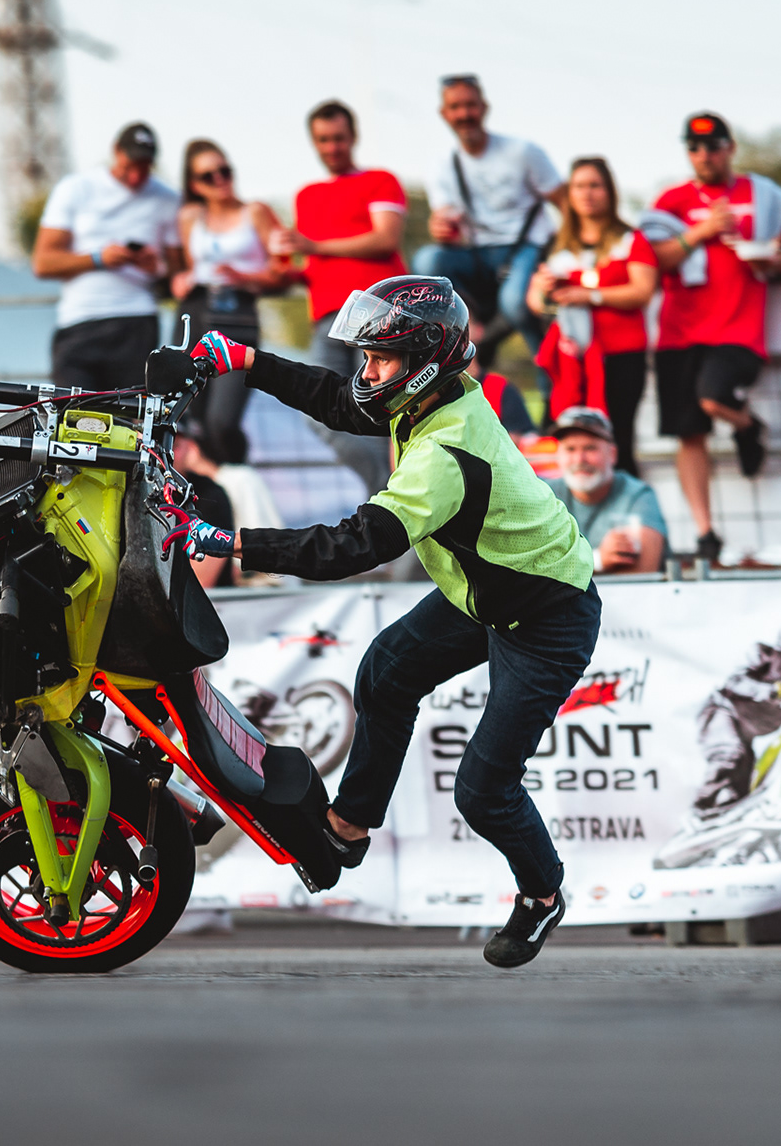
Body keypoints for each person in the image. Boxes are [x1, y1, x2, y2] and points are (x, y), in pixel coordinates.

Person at [182, 276, 599, 969]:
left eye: (379, 359)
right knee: (385, 672)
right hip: (487, 592)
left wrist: (231, 541)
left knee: (483, 792)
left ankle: (542, 894)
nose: (367, 372)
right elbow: (338, 402)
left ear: (425, 363)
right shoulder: (430, 395)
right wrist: (246, 360)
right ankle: (349, 827)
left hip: (547, 613)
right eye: (368, 357)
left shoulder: (445, 454)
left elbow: (352, 547)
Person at [643, 112, 781, 563]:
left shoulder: (762, 195)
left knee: (713, 399)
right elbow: (651, 259)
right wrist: (702, 232)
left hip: (739, 328)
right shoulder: (671, 201)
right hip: (679, 333)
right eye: (694, 148)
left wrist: (770, 260)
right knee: (689, 434)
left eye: (713, 146)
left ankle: (747, 426)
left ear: (730, 148)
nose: (704, 155)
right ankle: (705, 532)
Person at [270, 101, 406, 496]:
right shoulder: (307, 195)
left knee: (382, 405)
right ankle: (385, 490)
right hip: (327, 318)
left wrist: (314, 245)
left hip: (377, 313)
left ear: (353, 136)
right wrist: (287, 275)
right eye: (324, 140)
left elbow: (386, 238)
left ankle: (390, 496)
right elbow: (317, 265)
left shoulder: (380, 180)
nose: (332, 147)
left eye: (339, 138)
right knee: (319, 410)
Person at [525, 157, 656, 476]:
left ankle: (627, 506)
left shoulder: (630, 239)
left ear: (610, 191)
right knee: (567, 443)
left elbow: (643, 291)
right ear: (569, 194)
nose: (587, 193)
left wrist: (590, 296)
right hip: (571, 360)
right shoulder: (555, 245)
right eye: (579, 186)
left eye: (595, 185)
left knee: (617, 443)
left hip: (620, 355)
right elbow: (535, 302)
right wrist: (544, 290)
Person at [415, 74, 565, 351]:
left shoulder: (522, 152)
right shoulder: (443, 165)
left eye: (470, 105)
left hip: (526, 248)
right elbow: (446, 223)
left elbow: (566, 203)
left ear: (484, 107)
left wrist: (566, 254)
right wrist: (441, 229)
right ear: (444, 113)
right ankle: (468, 330)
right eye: (455, 107)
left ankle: (547, 363)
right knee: (426, 260)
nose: (464, 114)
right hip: (477, 254)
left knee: (515, 303)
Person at [33, 122, 185, 390]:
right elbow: (43, 263)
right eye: (130, 166)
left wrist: (156, 267)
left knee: (129, 415)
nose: (136, 177)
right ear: (116, 151)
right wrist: (98, 258)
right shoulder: (76, 188)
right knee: (72, 411)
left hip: (136, 323)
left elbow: (178, 274)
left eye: (144, 168)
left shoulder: (168, 199)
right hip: (79, 321)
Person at [169, 140, 283, 465]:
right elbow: (188, 266)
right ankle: (211, 491)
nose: (219, 179)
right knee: (193, 420)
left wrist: (244, 276)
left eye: (224, 170)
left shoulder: (256, 212)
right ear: (194, 185)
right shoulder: (189, 217)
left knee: (223, 422)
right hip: (196, 312)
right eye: (208, 176)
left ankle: (239, 478)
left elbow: (283, 271)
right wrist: (180, 278)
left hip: (238, 316)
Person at [692, 616, 781, 815]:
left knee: (744, 776)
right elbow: (735, 682)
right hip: (723, 714)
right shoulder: (765, 654)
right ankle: (700, 808)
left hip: (747, 732)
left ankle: (725, 814)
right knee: (729, 755)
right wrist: (769, 690)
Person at [544, 407, 666, 576]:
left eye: (590, 448)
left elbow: (642, 571)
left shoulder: (639, 495)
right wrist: (598, 559)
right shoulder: (545, 494)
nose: (579, 459)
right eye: (570, 449)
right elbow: (530, 568)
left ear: (612, 454)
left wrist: (562, 565)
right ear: (558, 455)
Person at [171, 423, 236, 590]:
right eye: (156, 443)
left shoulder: (210, 495)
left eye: (175, 445)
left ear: (190, 447)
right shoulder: (128, 489)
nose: (166, 453)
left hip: (207, 601)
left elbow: (201, 581)